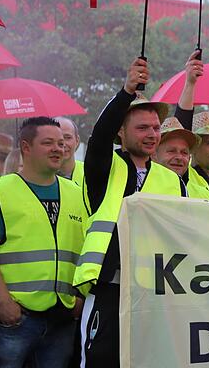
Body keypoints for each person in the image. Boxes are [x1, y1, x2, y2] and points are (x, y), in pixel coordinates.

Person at [76, 57, 185, 368]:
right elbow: (98, 138)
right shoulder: (105, 167)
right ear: (121, 133)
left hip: (153, 292)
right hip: (109, 290)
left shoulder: (172, 180)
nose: (151, 134)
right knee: (100, 360)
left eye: (155, 128)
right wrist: (125, 92)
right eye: (141, 128)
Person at [0, 117, 87, 367]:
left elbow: (85, 250)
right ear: (26, 148)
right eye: (48, 143)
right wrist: (3, 301)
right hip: (14, 316)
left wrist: (80, 297)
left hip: (62, 316)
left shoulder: (75, 193)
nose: (58, 149)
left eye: (62, 143)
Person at [154, 117, 209, 199]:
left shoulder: (203, 194)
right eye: (172, 151)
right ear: (154, 154)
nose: (179, 157)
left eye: (184, 153)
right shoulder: (139, 186)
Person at [55, 116, 84, 185]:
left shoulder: (92, 174)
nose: (63, 144)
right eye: (55, 138)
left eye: (67, 137)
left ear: (77, 141)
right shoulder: (36, 177)